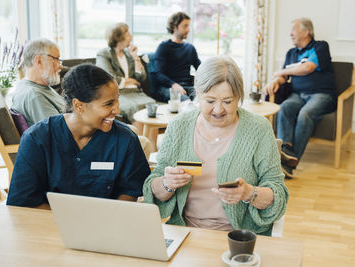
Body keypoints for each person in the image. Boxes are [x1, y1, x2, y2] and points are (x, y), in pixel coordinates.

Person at [143, 56, 288, 236]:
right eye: (210, 101)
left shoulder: (258, 129)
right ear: (197, 92)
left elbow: (278, 194)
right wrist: (167, 183)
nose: (218, 110)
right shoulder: (178, 126)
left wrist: (249, 193)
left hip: (239, 237)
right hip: (184, 233)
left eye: (228, 101)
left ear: (239, 96)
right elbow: (153, 188)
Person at [7, 64, 151, 209]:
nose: (117, 110)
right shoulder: (37, 139)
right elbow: (23, 200)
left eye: (117, 100)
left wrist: (105, 220)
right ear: (78, 105)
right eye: (108, 104)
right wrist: (69, 222)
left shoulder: (125, 140)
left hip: (106, 225)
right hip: (49, 226)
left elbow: (130, 190)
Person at [264, 18, 336, 178]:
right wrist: (276, 80)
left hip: (321, 95)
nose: (290, 34)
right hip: (297, 95)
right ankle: (286, 150)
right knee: (285, 108)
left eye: (294, 30)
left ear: (306, 31)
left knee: (305, 114)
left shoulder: (320, 47)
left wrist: (282, 73)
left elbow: (308, 68)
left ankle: (289, 164)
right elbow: (284, 77)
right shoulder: (291, 53)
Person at [96, 22, 156, 126]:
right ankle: (139, 141)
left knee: (151, 105)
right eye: (128, 34)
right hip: (118, 94)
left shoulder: (128, 54)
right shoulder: (104, 54)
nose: (131, 37)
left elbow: (141, 77)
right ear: (118, 37)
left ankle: (150, 142)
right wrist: (130, 81)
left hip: (135, 92)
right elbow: (108, 78)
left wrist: (136, 58)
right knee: (134, 108)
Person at [11, 38, 65, 126]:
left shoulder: (35, 86)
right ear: (39, 60)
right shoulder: (35, 96)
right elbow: (59, 134)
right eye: (56, 59)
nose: (60, 66)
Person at [153, 11, 201, 102]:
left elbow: (201, 68)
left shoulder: (190, 48)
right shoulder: (164, 47)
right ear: (175, 27)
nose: (188, 29)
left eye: (188, 26)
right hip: (167, 87)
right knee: (186, 102)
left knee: (202, 100)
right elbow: (159, 74)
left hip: (187, 86)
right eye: (185, 26)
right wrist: (173, 85)